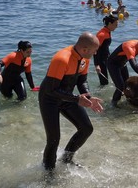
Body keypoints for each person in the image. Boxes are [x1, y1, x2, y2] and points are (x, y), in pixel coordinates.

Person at [39, 32, 103, 171]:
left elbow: (82, 81)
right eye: (95, 50)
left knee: (86, 128)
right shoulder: (62, 59)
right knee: (54, 139)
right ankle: (48, 174)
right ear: (85, 49)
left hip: (67, 97)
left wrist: (88, 97)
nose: (96, 52)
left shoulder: (85, 58)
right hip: (49, 99)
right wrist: (76, 99)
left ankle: (66, 160)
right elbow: (51, 90)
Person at [107, 36, 138, 107]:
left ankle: (128, 100)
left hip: (122, 63)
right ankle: (113, 104)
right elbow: (134, 66)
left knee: (127, 84)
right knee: (120, 87)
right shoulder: (130, 47)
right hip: (113, 64)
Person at [94, 15, 118, 86]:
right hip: (100, 60)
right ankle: (99, 95)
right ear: (110, 24)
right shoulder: (102, 34)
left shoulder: (108, 32)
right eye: (115, 25)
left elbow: (105, 48)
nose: (117, 26)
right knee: (104, 82)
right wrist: (97, 65)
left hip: (107, 58)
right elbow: (95, 50)